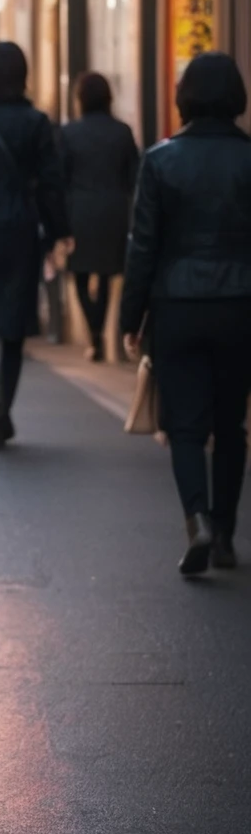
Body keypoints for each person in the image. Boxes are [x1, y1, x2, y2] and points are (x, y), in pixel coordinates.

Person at [121, 52, 251, 577]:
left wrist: (130, 318)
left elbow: (142, 247)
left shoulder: (160, 159)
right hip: (240, 305)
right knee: (231, 423)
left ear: (185, 96)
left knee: (186, 424)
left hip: (176, 305)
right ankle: (223, 534)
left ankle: (195, 516)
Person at [0, 42, 70, 450]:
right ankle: (3, 403)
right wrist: (59, 231)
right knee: (13, 326)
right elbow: (51, 184)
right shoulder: (36, 122)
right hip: (21, 229)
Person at [60, 72, 139, 360]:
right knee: (105, 275)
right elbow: (134, 177)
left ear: (80, 99)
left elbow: (61, 178)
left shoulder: (70, 133)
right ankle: (99, 334)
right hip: (114, 211)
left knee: (79, 273)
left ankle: (94, 334)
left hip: (79, 211)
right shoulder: (122, 131)